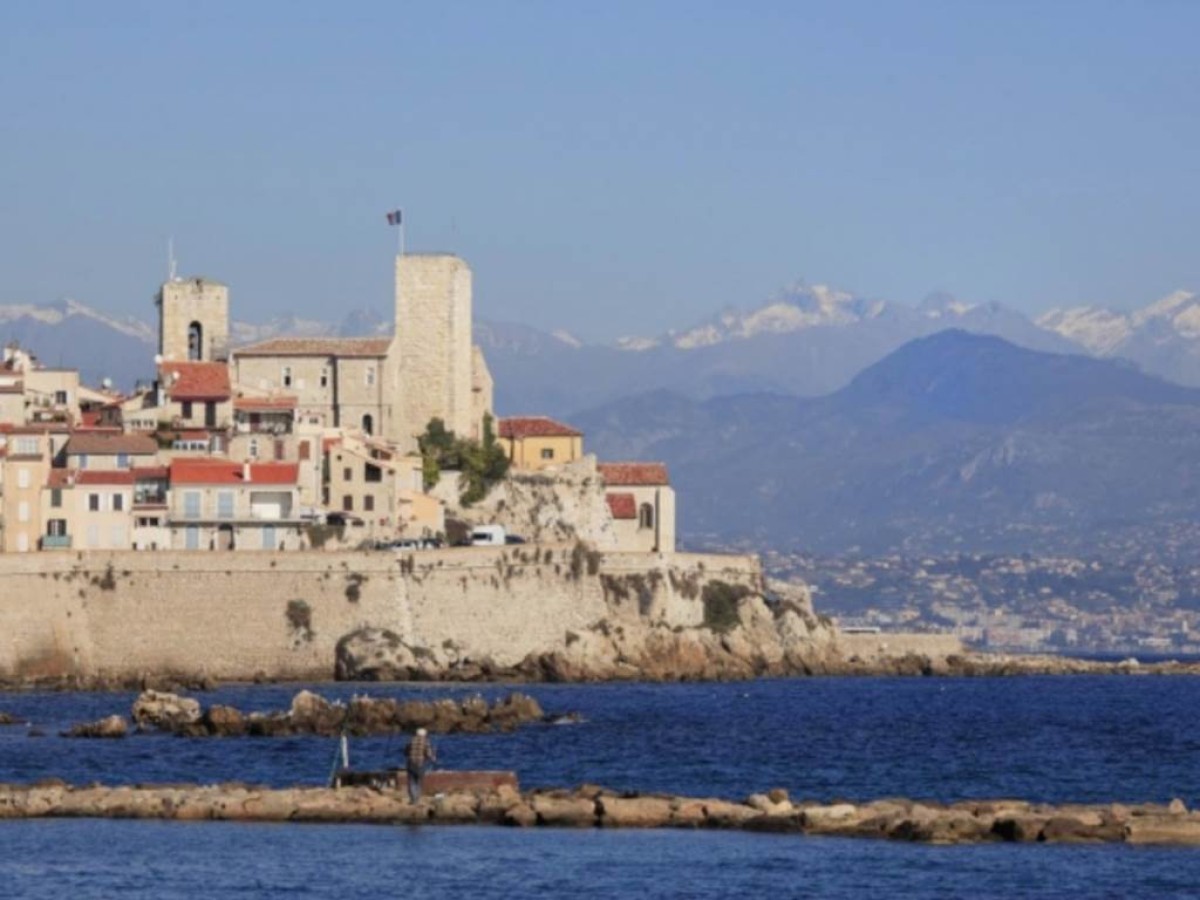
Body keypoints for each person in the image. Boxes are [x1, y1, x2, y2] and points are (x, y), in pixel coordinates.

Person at [404, 727, 436, 802]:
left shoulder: (410, 740)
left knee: (411, 781)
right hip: (420, 763)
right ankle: (417, 798)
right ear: (424, 735)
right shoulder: (425, 741)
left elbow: (405, 752)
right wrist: (433, 758)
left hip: (410, 762)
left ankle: (413, 798)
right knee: (418, 781)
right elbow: (428, 754)